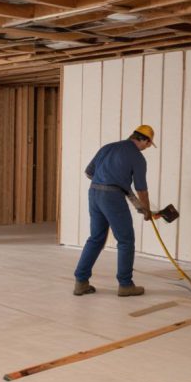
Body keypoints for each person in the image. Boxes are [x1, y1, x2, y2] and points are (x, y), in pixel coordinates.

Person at [73, 125, 156, 297]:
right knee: (126, 240)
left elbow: (89, 173)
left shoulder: (108, 147)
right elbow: (142, 190)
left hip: (94, 192)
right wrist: (146, 210)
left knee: (96, 238)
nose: (147, 148)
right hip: (112, 197)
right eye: (148, 145)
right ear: (144, 140)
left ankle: (80, 282)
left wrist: (136, 204)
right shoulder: (138, 158)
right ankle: (125, 285)